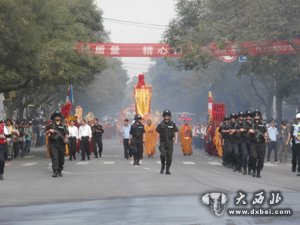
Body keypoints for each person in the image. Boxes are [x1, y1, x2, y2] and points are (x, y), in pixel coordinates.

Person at [45, 110, 69, 178]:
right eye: (56, 116)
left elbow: (67, 133)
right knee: (55, 157)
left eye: (58, 116)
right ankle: (55, 171)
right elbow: (46, 132)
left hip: (61, 144)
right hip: (53, 143)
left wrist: (66, 138)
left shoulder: (63, 125)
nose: (57, 117)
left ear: (60, 117)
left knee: (61, 158)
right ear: (54, 117)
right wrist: (49, 130)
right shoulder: (50, 125)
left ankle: (60, 170)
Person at [156, 110, 179, 175]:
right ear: (163, 116)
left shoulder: (172, 123)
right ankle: (163, 166)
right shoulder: (160, 124)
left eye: (168, 115)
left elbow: (176, 131)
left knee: (169, 156)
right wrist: (157, 141)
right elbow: (158, 133)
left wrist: (176, 139)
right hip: (162, 142)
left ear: (170, 116)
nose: (166, 116)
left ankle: (167, 169)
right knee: (163, 155)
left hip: (170, 142)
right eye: (165, 115)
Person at [248, 110, 268, 178]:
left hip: (262, 143)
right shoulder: (250, 123)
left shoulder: (263, 123)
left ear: (260, 116)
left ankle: (258, 171)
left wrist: (266, 138)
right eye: (255, 115)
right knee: (253, 157)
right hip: (253, 143)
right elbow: (246, 130)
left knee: (261, 159)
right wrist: (249, 130)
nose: (257, 116)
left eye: (258, 115)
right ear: (254, 116)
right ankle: (253, 170)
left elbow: (265, 132)